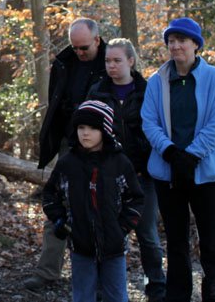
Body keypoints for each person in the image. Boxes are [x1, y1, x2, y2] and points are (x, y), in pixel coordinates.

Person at [141, 17, 215, 302]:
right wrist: (169, 152)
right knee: (177, 242)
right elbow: (148, 121)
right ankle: (177, 296)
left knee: (212, 242)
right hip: (168, 174)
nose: (176, 46)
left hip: (207, 175)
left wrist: (190, 156)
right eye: (171, 41)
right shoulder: (157, 81)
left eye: (182, 40)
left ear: (195, 44)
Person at [25, 17, 108, 292]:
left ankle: (102, 276)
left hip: (102, 146)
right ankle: (47, 271)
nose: (79, 53)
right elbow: (55, 101)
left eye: (84, 47)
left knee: (100, 208)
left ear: (97, 40)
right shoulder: (64, 62)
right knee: (57, 204)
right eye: (75, 47)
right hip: (68, 143)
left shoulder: (112, 61)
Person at [87, 38, 166, 301]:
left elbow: (158, 130)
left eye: (117, 60)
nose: (111, 65)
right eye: (108, 60)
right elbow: (87, 131)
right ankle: (102, 290)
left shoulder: (149, 91)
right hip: (107, 177)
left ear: (131, 61)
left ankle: (156, 286)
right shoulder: (97, 92)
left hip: (143, 177)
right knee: (106, 235)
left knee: (148, 237)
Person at [42, 100, 144, 302]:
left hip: (114, 247)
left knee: (116, 296)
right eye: (81, 127)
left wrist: (122, 227)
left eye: (92, 128)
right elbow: (50, 195)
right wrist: (61, 221)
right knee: (82, 296)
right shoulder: (67, 164)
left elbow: (136, 198)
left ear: (105, 130)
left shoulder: (119, 163)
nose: (85, 133)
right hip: (81, 245)